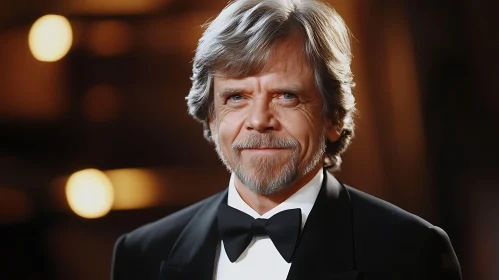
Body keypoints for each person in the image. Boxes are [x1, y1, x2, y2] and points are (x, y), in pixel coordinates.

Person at [111, 0, 462, 279]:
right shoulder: (141, 254)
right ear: (211, 116)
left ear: (334, 117)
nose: (259, 120)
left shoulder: (412, 252)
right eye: (237, 97)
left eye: (286, 96)